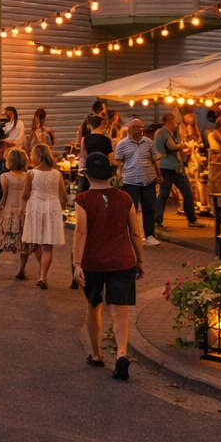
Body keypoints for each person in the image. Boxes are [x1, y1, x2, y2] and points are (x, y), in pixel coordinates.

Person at [72, 152, 145, 380]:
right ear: (109, 175)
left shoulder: (82, 200)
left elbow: (81, 232)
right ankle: (121, 353)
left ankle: (96, 354)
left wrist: (77, 263)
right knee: (119, 309)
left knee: (93, 305)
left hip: (93, 261)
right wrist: (139, 260)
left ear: (87, 175)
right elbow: (135, 232)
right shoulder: (125, 198)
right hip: (122, 260)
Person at [22, 144, 68, 288]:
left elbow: (24, 195)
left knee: (37, 242)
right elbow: (64, 196)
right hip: (52, 207)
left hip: (36, 207)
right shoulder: (57, 174)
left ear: (36, 156)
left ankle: (41, 273)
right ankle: (43, 276)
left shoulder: (31, 173)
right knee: (48, 246)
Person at [0, 149, 33, 281]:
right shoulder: (29, 176)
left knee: (1, 238)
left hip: (9, 211)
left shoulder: (4, 176)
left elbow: (4, 196)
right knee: (25, 242)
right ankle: (21, 270)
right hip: (24, 212)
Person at [114, 117, 161, 246]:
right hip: (130, 181)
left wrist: (159, 175)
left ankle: (149, 235)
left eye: (141, 127)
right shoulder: (122, 144)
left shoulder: (149, 142)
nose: (139, 130)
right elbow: (119, 163)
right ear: (129, 130)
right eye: (136, 127)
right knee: (131, 209)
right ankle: (131, 234)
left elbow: (155, 159)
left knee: (149, 208)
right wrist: (119, 179)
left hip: (148, 179)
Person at [154, 110, 202, 230]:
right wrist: (183, 145)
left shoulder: (170, 132)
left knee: (187, 193)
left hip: (175, 167)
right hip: (168, 168)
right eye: (175, 120)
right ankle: (157, 220)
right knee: (164, 194)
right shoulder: (164, 132)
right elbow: (172, 146)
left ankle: (191, 219)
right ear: (170, 121)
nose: (176, 123)